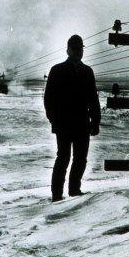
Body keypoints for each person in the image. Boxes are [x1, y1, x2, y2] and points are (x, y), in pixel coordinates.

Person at [44, 34, 101, 202]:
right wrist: (54, 120)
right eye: (75, 49)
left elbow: (93, 99)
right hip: (64, 124)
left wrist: (95, 122)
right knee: (63, 158)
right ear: (68, 50)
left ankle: (74, 190)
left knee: (80, 159)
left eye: (80, 49)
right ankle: (56, 195)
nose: (78, 52)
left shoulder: (87, 72)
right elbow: (49, 100)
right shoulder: (57, 71)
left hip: (82, 124)